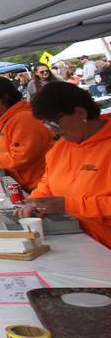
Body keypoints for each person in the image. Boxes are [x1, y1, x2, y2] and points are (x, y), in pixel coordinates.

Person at [19, 82, 111, 249]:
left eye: (55, 123)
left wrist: (69, 205)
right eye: (47, 125)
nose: (53, 131)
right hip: (78, 243)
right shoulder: (61, 146)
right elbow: (48, 183)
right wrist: (35, 202)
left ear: (80, 112)